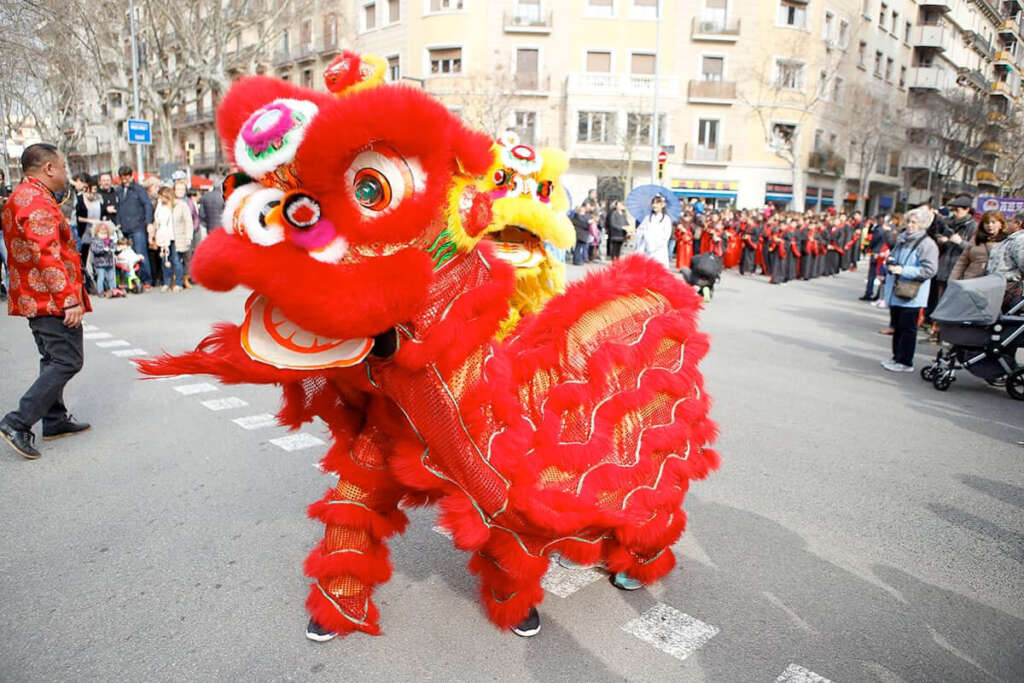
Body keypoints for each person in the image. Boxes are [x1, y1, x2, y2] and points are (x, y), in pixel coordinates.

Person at [0, 143, 91, 460]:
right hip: (49, 299)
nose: (65, 174)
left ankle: (53, 419)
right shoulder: (36, 201)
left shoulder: (24, 196)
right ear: (48, 168)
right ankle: (17, 421)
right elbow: (47, 255)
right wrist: (69, 300)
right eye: (63, 167)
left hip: (36, 296)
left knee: (53, 358)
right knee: (68, 360)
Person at [881, 206, 939, 373]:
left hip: (912, 292)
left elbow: (929, 270)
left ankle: (905, 361)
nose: (910, 225)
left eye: (914, 222)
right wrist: (891, 263)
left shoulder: (927, 244)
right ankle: (896, 357)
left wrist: (904, 270)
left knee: (907, 328)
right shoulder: (902, 239)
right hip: (897, 289)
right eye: (909, 221)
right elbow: (894, 256)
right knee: (897, 326)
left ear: (922, 225)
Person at [116, 166, 154, 287]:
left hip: (138, 227)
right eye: (123, 178)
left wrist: (148, 222)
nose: (125, 180)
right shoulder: (119, 190)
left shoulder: (139, 189)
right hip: (124, 227)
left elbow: (147, 205)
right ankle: (130, 279)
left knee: (140, 254)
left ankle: (147, 279)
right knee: (126, 256)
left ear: (132, 176)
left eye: (127, 177)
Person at [152, 184, 192, 291]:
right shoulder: (160, 206)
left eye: (161, 196)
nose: (160, 199)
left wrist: (188, 236)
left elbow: (188, 221)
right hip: (163, 237)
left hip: (176, 236)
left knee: (176, 260)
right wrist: (153, 234)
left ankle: (178, 283)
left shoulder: (181, 205)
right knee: (165, 260)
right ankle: (167, 282)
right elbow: (156, 221)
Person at [985, 210, 1024, 311]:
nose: (1008, 223)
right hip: (1001, 288)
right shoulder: (1013, 239)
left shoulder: (1021, 240)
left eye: (1011, 220)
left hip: (1011, 291)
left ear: (1018, 224)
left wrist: (1012, 277)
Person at [950, 210, 1004, 281]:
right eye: (987, 222)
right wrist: (952, 279)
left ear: (1001, 224)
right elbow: (962, 261)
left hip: (994, 281)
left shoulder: (1006, 241)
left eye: (993, 222)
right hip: (972, 280)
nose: (990, 225)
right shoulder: (976, 239)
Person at [635, 194, 673, 267]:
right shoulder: (647, 218)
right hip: (646, 249)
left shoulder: (666, 219)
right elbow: (640, 230)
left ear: (663, 205)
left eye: (657, 203)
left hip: (659, 250)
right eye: (653, 203)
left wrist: (654, 245)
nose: (654, 205)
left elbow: (666, 236)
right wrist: (642, 235)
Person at [90, 222, 119, 297]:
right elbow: (94, 249)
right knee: (101, 277)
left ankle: (113, 289)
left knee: (111, 277)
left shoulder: (109, 240)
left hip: (109, 262)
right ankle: (100, 291)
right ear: (98, 232)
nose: (103, 236)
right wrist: (103, 249)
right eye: (101, 234)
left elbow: (114, 246)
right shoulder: (95, 240)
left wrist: (113, 248)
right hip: (100, 263)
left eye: (105, 234)